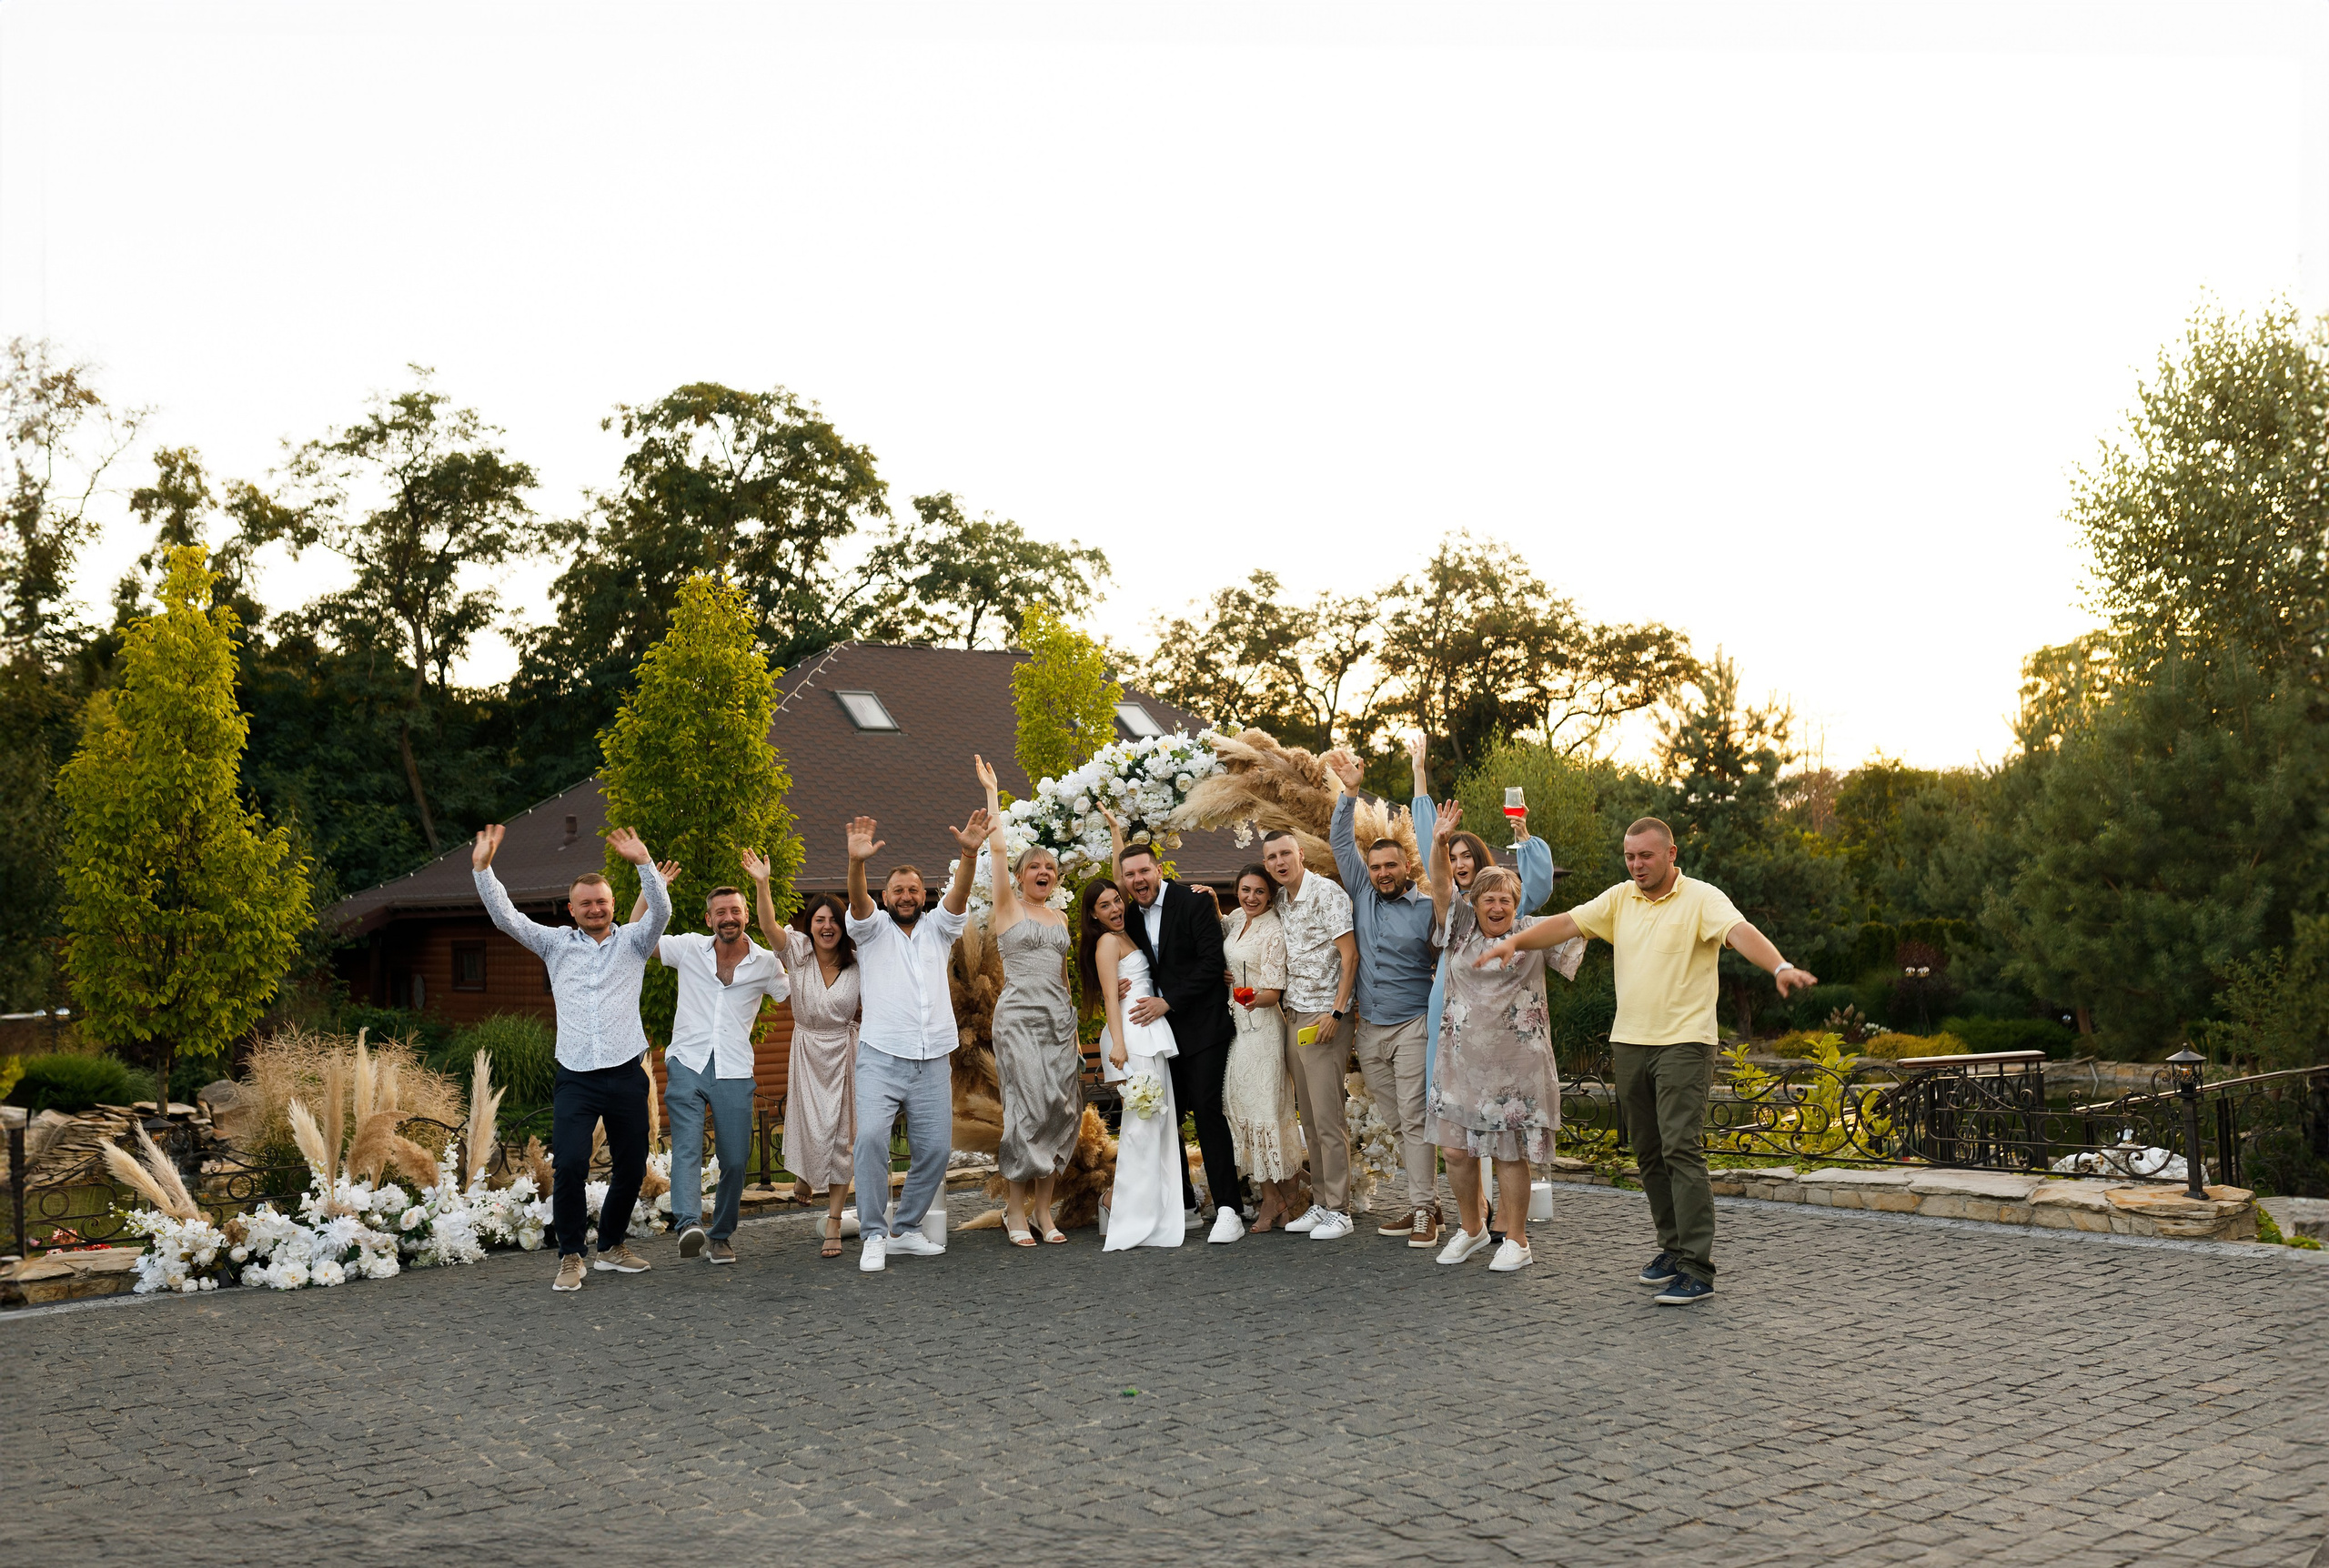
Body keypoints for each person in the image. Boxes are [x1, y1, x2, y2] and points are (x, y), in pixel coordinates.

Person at [1478, 815, 1819, 1304]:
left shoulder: (1703, 898)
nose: (1636, 864)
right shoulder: (1620, 899)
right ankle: (1673, 1249)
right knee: (1649, 1151)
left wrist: (1780, 966)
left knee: (1681, 1146)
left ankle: (1697, 1268)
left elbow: (1740, 932)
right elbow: (1567, 922)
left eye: (1646, 856)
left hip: (1685, 1042)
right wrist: (1514, 940)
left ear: (1671, 854)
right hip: (1630, 1042)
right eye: (1630, 856)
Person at [471, 822, 669, 1293]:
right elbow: (508, 919)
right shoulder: (555, 943)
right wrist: (483, 869)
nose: (595, 909)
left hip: (626, 1072)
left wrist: (644, 863)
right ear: (572, 909)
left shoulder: (635, 942)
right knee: (572, 1165)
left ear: (613, 905)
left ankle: (613, 1247)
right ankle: (570, 1255)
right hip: (576, 1077)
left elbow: (660, 909)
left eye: (601, 901)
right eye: (586, 903)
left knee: (632, 1163)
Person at [1425, 800, 1583, 1273]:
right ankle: (1472, 1229)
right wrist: (1437, 841)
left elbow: (1595, 920)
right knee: (1454, 1151)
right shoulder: (1457, 929)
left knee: (1510, 1151)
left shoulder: (1535, 932)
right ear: (1473, 904)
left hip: (1518, 1067)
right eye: (1488, 899)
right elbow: (1438, 884)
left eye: (1506, 901)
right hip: (1459, 1063)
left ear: (1517, 905)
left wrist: (1528, 837)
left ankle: (1517, 1239)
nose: (1497, 906)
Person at [845, 808, 992, 1274]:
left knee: (935, 1150)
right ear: (884, 896)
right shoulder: (869, 930)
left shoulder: (938, 928)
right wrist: (856, 864)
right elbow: (857, 899)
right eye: (897, 890)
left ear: (923, 895)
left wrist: (968, 854)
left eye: (913, 890)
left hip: (933, 1059)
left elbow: (960, 894)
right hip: (881, 1056)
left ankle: (905, 1230)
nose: (906, 896)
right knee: (870, 1140)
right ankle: (872, 1234)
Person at [632, 865, 788, 1265]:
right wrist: (652, 888)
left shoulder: (766, 964)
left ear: (746, 915)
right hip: (686, 1061)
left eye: (735, 911)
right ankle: (688, 1225)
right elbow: (635, 937)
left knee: (735, 1159)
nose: (728, 918)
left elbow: (797, 987)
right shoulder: (687, 948)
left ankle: (720, 1235)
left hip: (735, 1069)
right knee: (686, 1148)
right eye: (720, 912)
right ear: (709, 919)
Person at [1102, 807, 1243, 1243]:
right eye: (1130, 875)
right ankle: (1183, 1204)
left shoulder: (1194, 902)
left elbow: (1210, 965)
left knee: (1207, 1115)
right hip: (1161, 1039)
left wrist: (1167, 1002)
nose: (1137, 879)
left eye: (1144, 870)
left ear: (1158, 869)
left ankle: (1229, 1210)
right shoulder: (1129, 916)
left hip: (1202, 1029)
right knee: (1167, 1119)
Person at [1322, 748, 1444, 1251]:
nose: (1382, 873)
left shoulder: (1426, 908)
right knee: (1395, 1120)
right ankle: (1428, 1202)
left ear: (1407, 866)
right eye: (1375, 867)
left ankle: (1424, 1211)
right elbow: (1339, 843)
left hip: (1412, 1025)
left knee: (1414, 1118)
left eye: (1390, 866)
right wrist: (1349, 793)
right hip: (1370, 1028)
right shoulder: (1362, 894)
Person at [974, 755, 1079, 1246]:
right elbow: (997, 851)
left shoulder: (1060, 919)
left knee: (1061, 1112)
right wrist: (993, 796)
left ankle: (1043, 1210)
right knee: (1027, 1111)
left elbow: (1064, 978)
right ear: (1018, 876)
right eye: (1033, 865)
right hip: (1018, 1020)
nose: (1043, 870)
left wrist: (1075, 1030)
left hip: (1059, 1022)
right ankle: (1014, 1212)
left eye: (1050, 866)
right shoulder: (1008, 907)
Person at [744, 856, 861, 1261]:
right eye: (818, 920)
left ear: (843, 926)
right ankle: (806, 1176)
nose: (826, 926)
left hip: (845, 1050)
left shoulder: (859, 960)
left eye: (833, 920)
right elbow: (768, 927)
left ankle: (833, 1222)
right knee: (810, 1123)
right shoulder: (797, 953)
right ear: (809, 925)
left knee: (844, 1134)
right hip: (808, 1048)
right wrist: (763, 884)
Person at [1261, 826, 1358, 1241]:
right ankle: (1321, 1203)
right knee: (1311, 1120)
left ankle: (1340, 1209)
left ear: (1300, 853)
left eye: (1285, 854)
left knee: (1328, 1116)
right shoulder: (1282, 899)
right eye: (1272, 858)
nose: (1280, 863)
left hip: (1325, 1015)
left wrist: (1337, 1012)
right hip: (1294, 1014)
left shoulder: (1327, 894)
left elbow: (1350, 954)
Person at [1079, 876, 1183, 1251]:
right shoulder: (1107, 942)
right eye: (1104, 906)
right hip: (1132, 1039)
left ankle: (1153, 1208)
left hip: (1150, 1032)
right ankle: (1119, 1204)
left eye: (1116, 901)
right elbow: (1110, 999)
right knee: (1141, 1126)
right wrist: (1118, 1046)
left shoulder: (1127, 932)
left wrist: (1116, 829)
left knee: (1157, 1124)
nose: (1114, 909)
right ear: (1093, 915)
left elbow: (1121, 872)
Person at [1217, 864, 1303, 1231]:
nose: (1250, 898)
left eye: (1259, 892)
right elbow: (1223, 936)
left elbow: (1274, 992)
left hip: (1264, 1029)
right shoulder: (1237, 919)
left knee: (1267, 1112)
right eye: (1245, 890)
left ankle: (1277, 1200)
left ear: (1270, 896)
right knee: (1238, 1108)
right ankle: (1284, 1198)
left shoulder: (1273, 930)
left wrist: (1247, 994)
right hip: (1238, 1029)